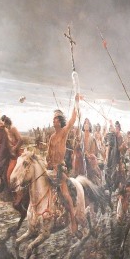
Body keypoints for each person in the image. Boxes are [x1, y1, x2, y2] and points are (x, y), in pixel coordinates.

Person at [47, 94, 80, 228]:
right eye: (53, 119)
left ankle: (73, 221)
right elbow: (48, 154)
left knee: (66, 195)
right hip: (51, 169)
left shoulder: (64, 132)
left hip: (60, 168)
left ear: (60, 122)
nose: (54, 121)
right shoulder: (51, 137)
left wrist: (76, 102)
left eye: (56, 119)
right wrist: (48, 162)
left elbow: (72, 119)